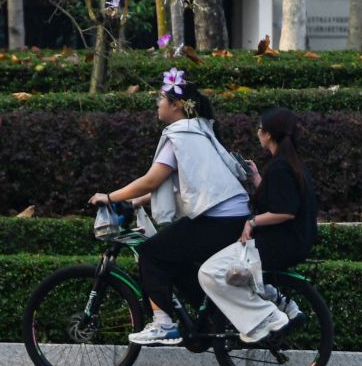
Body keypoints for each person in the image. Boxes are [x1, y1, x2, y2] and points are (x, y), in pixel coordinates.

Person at [88, 78, 252, 346]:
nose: (157, 103)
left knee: (151, 253)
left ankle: (163, 324)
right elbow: (179, 184)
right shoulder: (198, 131)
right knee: (175, 259)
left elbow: (152, 180)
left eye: (161, 98)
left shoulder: (180, 136)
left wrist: (109, 197)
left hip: (217, 218)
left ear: (176, 105)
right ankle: (208, 320)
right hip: (230, 215)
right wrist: (135, 202)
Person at [199, 105, 318, 343]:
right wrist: (255, 177)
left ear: (268, 134)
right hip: (292, 241)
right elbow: (279, 198)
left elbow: (285, 211)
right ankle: (280, 303)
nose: (257, 133)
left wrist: (252, 222)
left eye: (260, 128)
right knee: (233, 270)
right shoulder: (289, 163)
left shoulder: (281, 166)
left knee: (209, 273)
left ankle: (265, 317)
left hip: (280, 243)